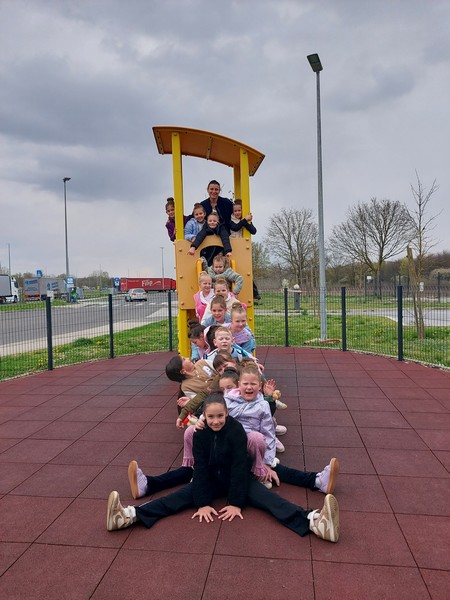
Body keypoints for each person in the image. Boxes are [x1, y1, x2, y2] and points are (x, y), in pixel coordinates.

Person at [107, 393, 340, 543]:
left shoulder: (236, 430)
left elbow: (240, 466)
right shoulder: (200, 434)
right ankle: (128, 516)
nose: (216, 420)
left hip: (236, 477)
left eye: (220, 416)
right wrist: (202, 503)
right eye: (211, 417)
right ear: (204, 416)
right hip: (210, 480)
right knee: (176, 498)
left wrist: (236, 503)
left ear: (227, 414)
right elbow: (199, 468)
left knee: (270, 500)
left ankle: (315, 522)